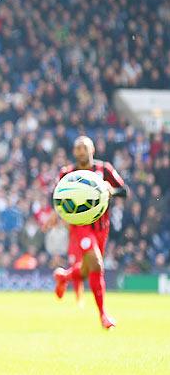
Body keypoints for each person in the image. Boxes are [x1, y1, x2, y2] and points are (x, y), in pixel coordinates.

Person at [52, 136, 127, 329]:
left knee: (87, 269)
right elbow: (58, 199)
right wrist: (57, 216)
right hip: (80, 226)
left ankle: (65, 276)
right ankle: (103, 315)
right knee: (96, 264)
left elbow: (124, 191)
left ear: (92, 149)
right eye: (77, 148)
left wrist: (112, 190)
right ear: (74, 152)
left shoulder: (105, 169)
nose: (80, 151)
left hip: (101, 226)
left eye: (84, 147)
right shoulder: (67, 174)